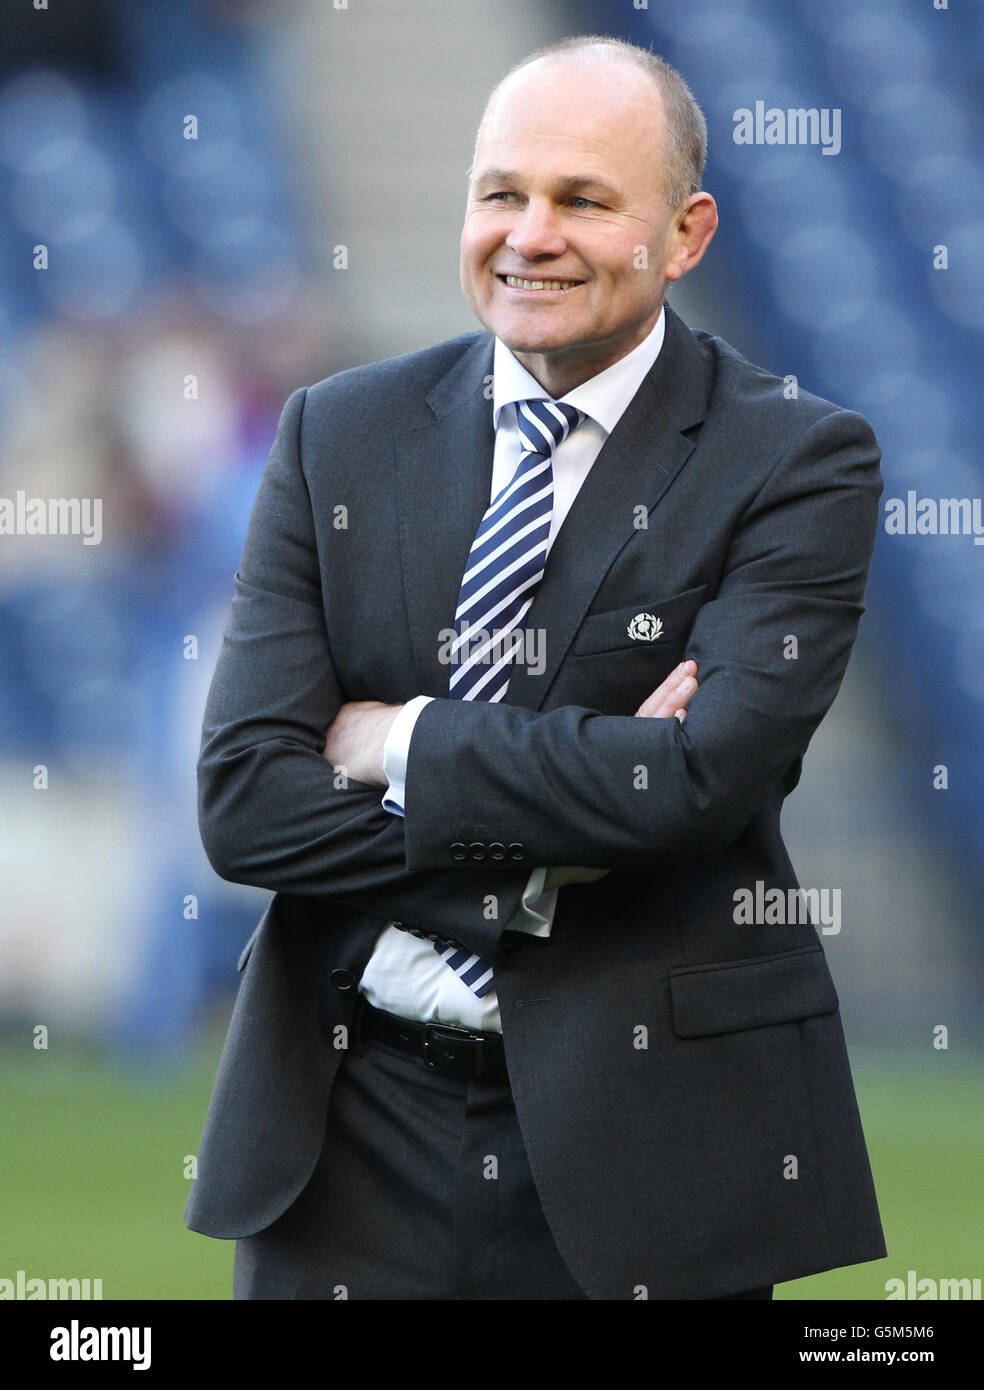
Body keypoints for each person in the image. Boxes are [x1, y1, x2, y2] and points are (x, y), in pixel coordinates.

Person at [186, 35, 886, 1300]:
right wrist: (573, 828)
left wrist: (399, 742)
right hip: (345, 1140)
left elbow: (694, 788)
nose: (530, 235)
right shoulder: (337, 434)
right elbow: (245, 804)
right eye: (502, 193)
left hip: (652, 1157)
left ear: (685, 234)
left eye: (582, 199)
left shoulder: (798, 459)